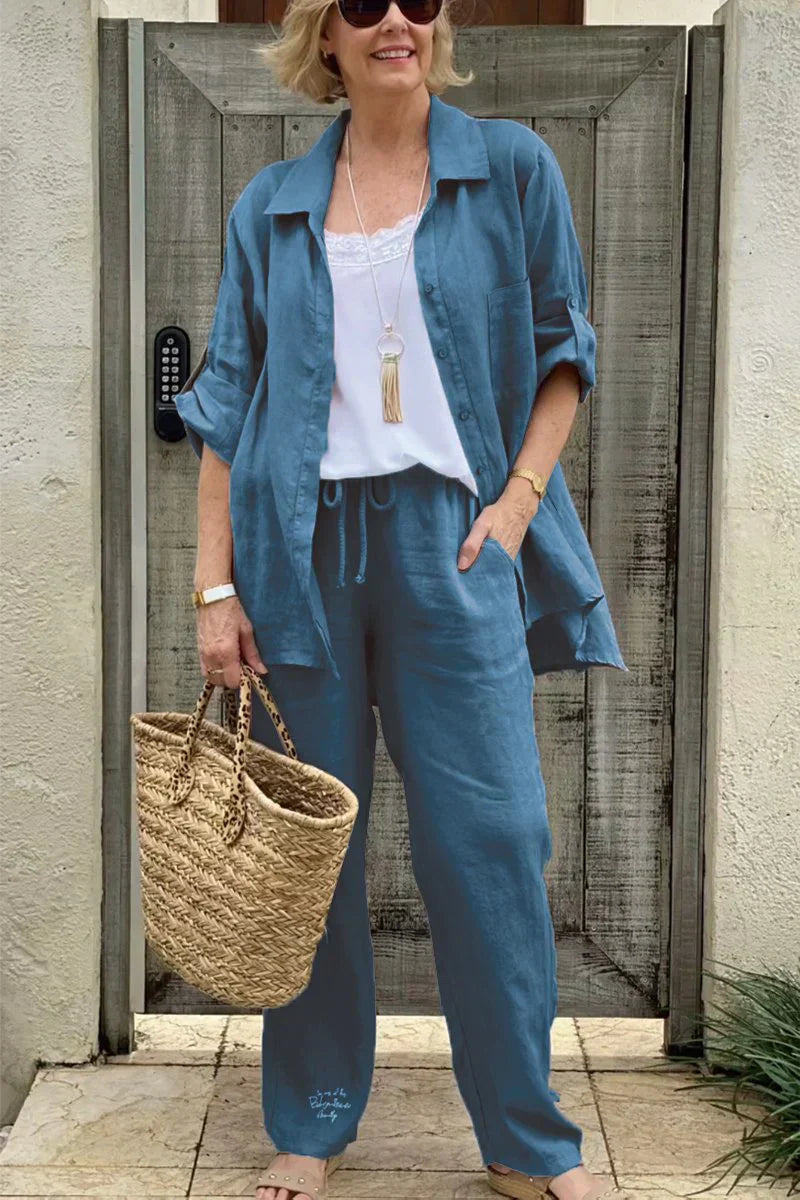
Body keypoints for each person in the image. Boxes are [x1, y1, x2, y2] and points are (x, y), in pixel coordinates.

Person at [175, 2, 630, 1199]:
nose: (394, 20)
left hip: (454, 541)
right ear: (323, 36)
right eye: (364, 2)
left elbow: (564, 349)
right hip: (298, 551)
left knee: (492, 841)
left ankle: (525, 1141)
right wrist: (215, 588)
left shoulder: (511, 169)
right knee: (311, 852)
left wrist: (515, 507)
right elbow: (224, 409)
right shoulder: (271, 205)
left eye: (417, 0)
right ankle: (313, 1120)